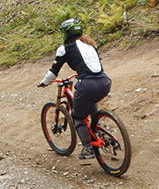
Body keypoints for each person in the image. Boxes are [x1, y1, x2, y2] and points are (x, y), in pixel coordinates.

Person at [38, 18, 111, 159]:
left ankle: (88, 147)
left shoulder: (64, 49)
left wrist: (44, 82)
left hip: (87, 85)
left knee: (77, 117)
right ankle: (96, 129)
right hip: (105, 81)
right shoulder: (90, 45)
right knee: (91, 107)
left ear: (65, 34)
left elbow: (53, 72)